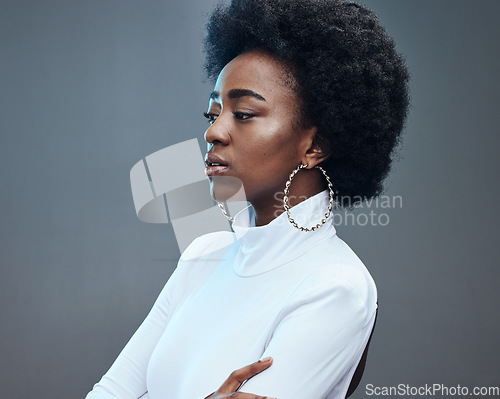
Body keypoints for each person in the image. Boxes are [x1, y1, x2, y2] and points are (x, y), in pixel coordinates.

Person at [85, 0, 409, 398]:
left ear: (315, 145)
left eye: (243, 113)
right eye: (213, 113)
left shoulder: (334, 287)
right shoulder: (202, 256)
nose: (213, 133)